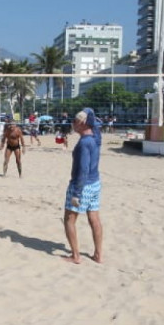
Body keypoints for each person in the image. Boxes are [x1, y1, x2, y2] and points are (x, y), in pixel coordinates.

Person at [62, 109, 103, 265]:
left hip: (82, 185)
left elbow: (83, 170)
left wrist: (76, 194)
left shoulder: (84, 143)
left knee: (69, 220)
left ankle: (75, 256)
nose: (73, 123)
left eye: (75, 120)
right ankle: (98, 255)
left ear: (82, 123)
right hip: (95, 184)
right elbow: (92, 114)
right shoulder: (96, 137)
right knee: (94, 218)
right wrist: (88, 113)